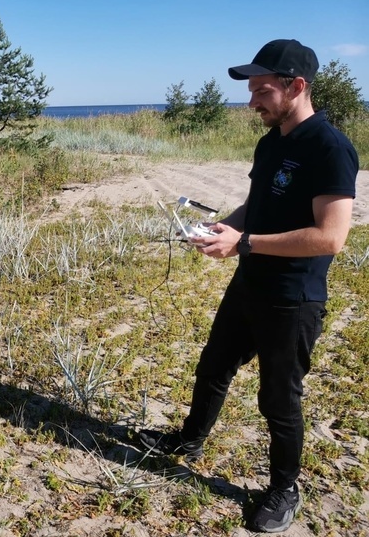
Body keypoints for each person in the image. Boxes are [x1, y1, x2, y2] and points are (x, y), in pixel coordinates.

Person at [139, 39, 358, 533]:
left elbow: (330, 237)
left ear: (296, 87)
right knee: (213, 367)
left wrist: (247, 243)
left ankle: (284, 488)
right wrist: (223, 229)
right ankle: (189, 440)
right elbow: (253, 207)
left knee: (279, 400)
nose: (252, 102)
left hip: (293, 298)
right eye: (252, 91)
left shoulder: (331, 148)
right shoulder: (271, 141)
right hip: (249, 282)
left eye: (262, 91)